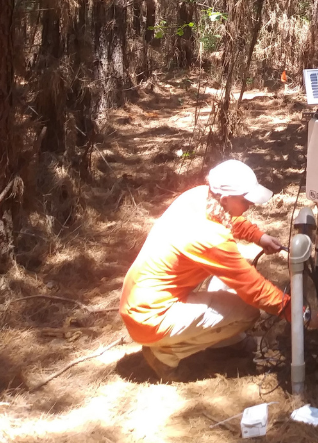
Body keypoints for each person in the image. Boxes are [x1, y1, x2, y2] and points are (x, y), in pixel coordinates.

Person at [119, 159, 290, 380]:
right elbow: (254, 289)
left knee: (234, 279)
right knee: (248, 311)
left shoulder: (199, 195)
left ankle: (227, 343)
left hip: (141, 303)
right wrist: (297, 312)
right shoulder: (211, 237)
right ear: (226, 199)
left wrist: (259, 236)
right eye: (246, 200)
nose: (251, 205)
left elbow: (229, 217)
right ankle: (165, 354)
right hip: (150, 316)